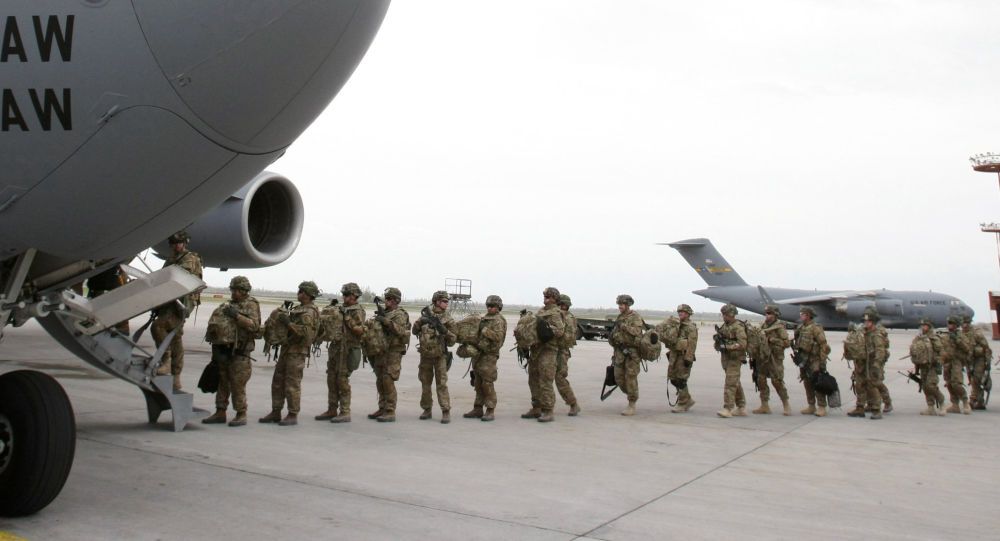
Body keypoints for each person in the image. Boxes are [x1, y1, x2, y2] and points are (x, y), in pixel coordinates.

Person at [202, 276, 261, 427]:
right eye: (233, 289)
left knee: (237, 384)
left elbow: (254, 326)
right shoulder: (228, 305)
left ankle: (241, 413)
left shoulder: (251, 305)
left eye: (237, 290)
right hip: (225, 350)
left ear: (245, 291)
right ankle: (220, 411)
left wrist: (237, 316)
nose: (234, 293)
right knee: (222, 382)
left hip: (240, 352)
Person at [259, 281, 320, 426]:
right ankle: (276, 411)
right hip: (287, 349)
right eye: (299, 291)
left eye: (302, 291)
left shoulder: (309, 312)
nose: (299, 294)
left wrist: (287, 323)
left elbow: (305, 333)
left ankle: (293, 413)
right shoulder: (299, 309)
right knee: (278, 381)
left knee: (292, 383)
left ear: (308, 294)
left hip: (297, 351)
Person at [150, 231, 203, 391]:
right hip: (170, 301)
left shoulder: (190, 258)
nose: (176, 246)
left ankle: (166, 360)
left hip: (180, 303)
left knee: (158, 327)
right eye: (173, 244)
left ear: (184, 243)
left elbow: (178, 276)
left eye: (178, 243)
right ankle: (176, 377)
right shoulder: (171, 258)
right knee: (176, 337)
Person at [316, 282, 365, 423]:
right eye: (343, 294)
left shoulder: (357, 311)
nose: (344, 297)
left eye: (347, 295)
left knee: (342, 381)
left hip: (348, 350)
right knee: (331, 379)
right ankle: (332, 409)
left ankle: (345, 411)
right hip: (336, 349)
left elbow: (359, 330)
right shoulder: (342, 308)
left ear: (354, 296)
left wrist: (347, 317)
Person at [413, 290, 457, 423]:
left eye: (447, 301)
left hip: (440, 356)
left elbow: (453, 340)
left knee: (441, 384)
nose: (447, 304)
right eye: (444, 301)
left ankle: (445, 410)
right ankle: (427, 409)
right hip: (425, 355)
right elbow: (414, 331)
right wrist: (421, 321)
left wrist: (445, 331)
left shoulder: (448, 319)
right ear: (437, 301)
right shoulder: (426, 315)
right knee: (425, 383)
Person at [370, 287, 411, 423]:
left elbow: (401, 331)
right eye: (386, 298)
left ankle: (390, 410)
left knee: (388, 380)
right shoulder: (385, 313)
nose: (386, 301)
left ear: (395, 300)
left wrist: (387, 322)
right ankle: (382, 407)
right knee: (380, 380)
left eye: (388, 299)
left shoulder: (399, 314)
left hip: (393, 351)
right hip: (381, 350)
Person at [464, 295, 507, 422]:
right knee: (477, 382)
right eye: (488, 306)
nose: (489, 308)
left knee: (487, 383)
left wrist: (484, 330)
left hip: (489, 355)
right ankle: (478, 408)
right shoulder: (485, 318)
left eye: (492, 306)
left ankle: (490, 409)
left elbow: (498, 337)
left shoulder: (499, 320)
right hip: (479, 354)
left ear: (498, 307)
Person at [847, 312, 888, 419]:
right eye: (865, 321)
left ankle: (876, 409)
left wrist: (876, 365)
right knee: (860, 385)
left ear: (873, 322)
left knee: (872, 387)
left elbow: (880, 351)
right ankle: (859, 408)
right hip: (861, 364)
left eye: (868, 321)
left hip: (872, 364)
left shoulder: (876, 335)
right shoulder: (863, 333)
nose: (866, 323)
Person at [753, 305, 791, 416]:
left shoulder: (779, 327)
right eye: (766, 313)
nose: (767, 315)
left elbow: (787, 343)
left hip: (774, 358)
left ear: (775, 315)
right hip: (762, 358)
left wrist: (773, 340)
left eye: (769, 314)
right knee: (761, 380)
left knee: (777, 381)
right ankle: (764, 405)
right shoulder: (762, 326)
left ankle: (786, 404)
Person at [609, 293, 643, 416]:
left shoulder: (635, 317)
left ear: (628, 305)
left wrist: (623, 326)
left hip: (632, 353)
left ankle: (632, 403)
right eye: (619, 304)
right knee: (618, 377)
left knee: (631, 377)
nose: (620, 306)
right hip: (620, 351)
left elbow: (636, 331)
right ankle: (631, 394)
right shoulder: (620, 317)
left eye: (622, 304)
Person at [793, 306, 830, 417]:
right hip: (804, 359)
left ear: (809, 316)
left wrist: (822, 362)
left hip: (815, 359)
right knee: (807, 382)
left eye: (803, 314)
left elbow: (823, 345)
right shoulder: (800, 328)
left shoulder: (816, 328)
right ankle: (811, 405)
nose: (801, 316)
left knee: (817, 382)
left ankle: (822, 406)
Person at [714, 304, 748, 418]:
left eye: (725, 315)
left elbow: (742, 344)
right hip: (726, 358)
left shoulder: (738, 327)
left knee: (730, 383)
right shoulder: (725, 326)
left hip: (735, 358)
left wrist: (728, 347)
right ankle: (741, 407)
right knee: (735, 382)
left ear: (731, 315)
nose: (724, 316)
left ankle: (727, 408)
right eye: (723, 314)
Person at [910, 318, 947, 416]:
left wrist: (938, 361)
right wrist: (916, 368)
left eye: (925, 325)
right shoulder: (918, 338)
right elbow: (915, 353)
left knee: (931, 385)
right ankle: (930, 407)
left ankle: (942, 403)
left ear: (929, 327)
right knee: (925, 386)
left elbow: (942, 351)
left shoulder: (934, 338)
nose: (923, 327)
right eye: (922, 325)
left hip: (932, 366)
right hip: (923, 366)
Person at [667, 304, 699, 413]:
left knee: (681, 380)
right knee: (673, 378)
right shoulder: (677, 325)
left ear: (688, 314)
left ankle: (682, 403)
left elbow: (692, 344)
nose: (680, 314)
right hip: (674, 355)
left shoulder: (691, 327)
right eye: (679, 312)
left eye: (683, 312)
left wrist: (688, 358)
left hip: (683, 356)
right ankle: (688, 399)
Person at [939, 315, 971, 415]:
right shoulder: (945, 335)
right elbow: (940, 348)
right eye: (948, 323)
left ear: (956, 325)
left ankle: (965, 403)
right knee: (949, 383)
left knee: (956, 383)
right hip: (947, 362)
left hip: (957, 361)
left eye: (951, 323)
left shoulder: (961, 336)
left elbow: (967, 348)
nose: (949, 325)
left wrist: (957, 339)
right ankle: (955, 404)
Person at [555, 294, 580, 416]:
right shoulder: (555, 315)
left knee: (560, 378)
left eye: (561, 305)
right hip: (550, 351)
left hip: (561, 352)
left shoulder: (568, 318)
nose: (560, 307)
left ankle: (573, 403)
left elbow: (568, 338)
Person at [961, 315, 993, 410]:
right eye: (963, 323)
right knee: (973, 380)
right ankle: (980, 401)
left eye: (967, 323)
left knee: (976, 379)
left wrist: (988, 363)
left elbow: (986, 348)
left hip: (979, 360)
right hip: (969, 361)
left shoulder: (977, 334)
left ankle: (973, 400)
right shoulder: (961, 335)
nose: (965, 325)